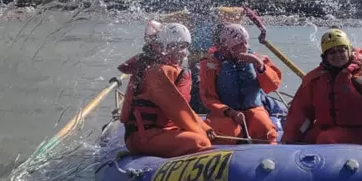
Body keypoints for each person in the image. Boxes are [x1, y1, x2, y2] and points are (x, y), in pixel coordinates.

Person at [281, 28, 362, 153]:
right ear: (324, 56)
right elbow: (300, 111)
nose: (337, 56)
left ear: (349, 51)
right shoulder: (315, 79)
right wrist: (289, 141)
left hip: (359, 134)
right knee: (305, 141)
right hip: (324, 129)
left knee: (326, 139)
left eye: (341, 51)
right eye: (332, 53)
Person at [117, 21, 215, 158]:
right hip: (144, 136)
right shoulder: (157, 71)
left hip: (160, 131)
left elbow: (181, 107)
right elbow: (176, 109)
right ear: (163, 46)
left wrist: (205, 128)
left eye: (185, 46)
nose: (182, 52)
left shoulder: (166, 67)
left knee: (206, 136)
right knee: (201, 142)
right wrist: (202, 131)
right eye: (176, 46)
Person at [199, 24, 283, 144]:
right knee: (228, 131)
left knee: (263, 127)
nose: (243, 48)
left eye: (245, 44)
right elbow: (208, 98)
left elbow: (272, 86)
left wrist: (260, 66)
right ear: (225, 47)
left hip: (254, 108)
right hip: (223, 113)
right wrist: (230, 112)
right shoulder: (211, 65)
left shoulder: (259, 59)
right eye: (238, 46)